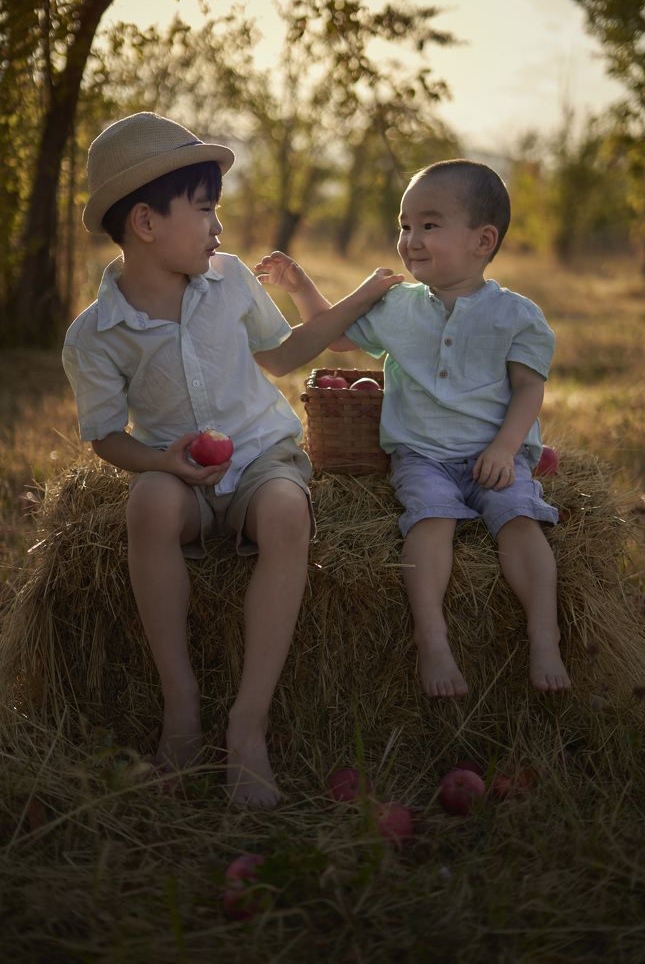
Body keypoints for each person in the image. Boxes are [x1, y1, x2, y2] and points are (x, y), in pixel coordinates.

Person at [62, 111, 403, 808]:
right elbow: (104, 436)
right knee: (149, 505)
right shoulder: (93, 333)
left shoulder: (232, 280)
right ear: (146, 224)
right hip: (180, 475)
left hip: (258, 457)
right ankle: (181, 708)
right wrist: (164, 461)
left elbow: (283, 354)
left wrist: (363, 296)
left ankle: (248, 726)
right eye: (206, 211)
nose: (219, 229)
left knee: (284, 515)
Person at [254, 159, 571, 699]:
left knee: (520, 518)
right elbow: (340, 338)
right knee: (430, 519)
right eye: (404, 225)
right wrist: (300, 285)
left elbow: (527, 390)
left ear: (482, 239)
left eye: (429, 224)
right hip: (421, 455)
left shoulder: (518, 315)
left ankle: (545, 637)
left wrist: (505, 447)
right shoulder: (397, 306)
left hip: (494, 454)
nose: (410, 239)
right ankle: (433, 637)